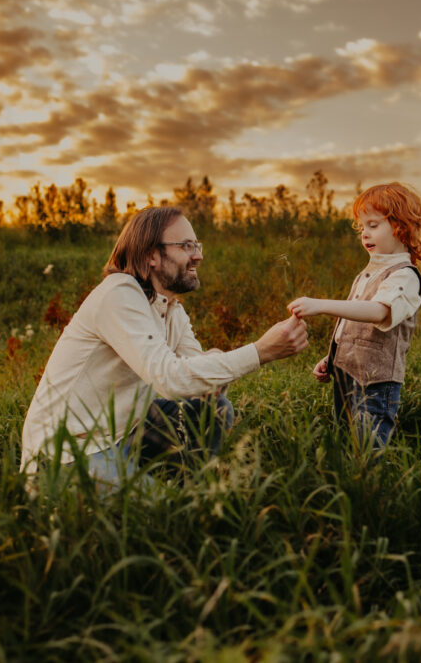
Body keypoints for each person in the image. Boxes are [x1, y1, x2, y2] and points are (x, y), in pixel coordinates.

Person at [21, 205, 309, 484]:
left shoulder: (171, 309)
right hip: (64, 452)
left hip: (124, 434)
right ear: (151, 255)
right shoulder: (119, 293)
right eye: (186, 246)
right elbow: (170, 379)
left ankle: (187, 486)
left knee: (214, 409)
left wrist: (214, 361)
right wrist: (261, 351)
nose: (198, 256)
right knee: (155, 518)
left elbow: (201, 388)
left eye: (198, 246)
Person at [287, 183, 421, 450]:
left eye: (373, 225)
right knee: (345, 438)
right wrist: (332, 357)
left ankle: (368, 486)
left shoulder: (405, 276)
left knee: (367, 445)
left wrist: (321, 305)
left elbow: (378, 312)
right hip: (346, 373)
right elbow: (352, 326)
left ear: (401, 226)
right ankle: (349, 483)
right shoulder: (368, 273)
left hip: (376, 381)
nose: (365, 233)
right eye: (362, 227)